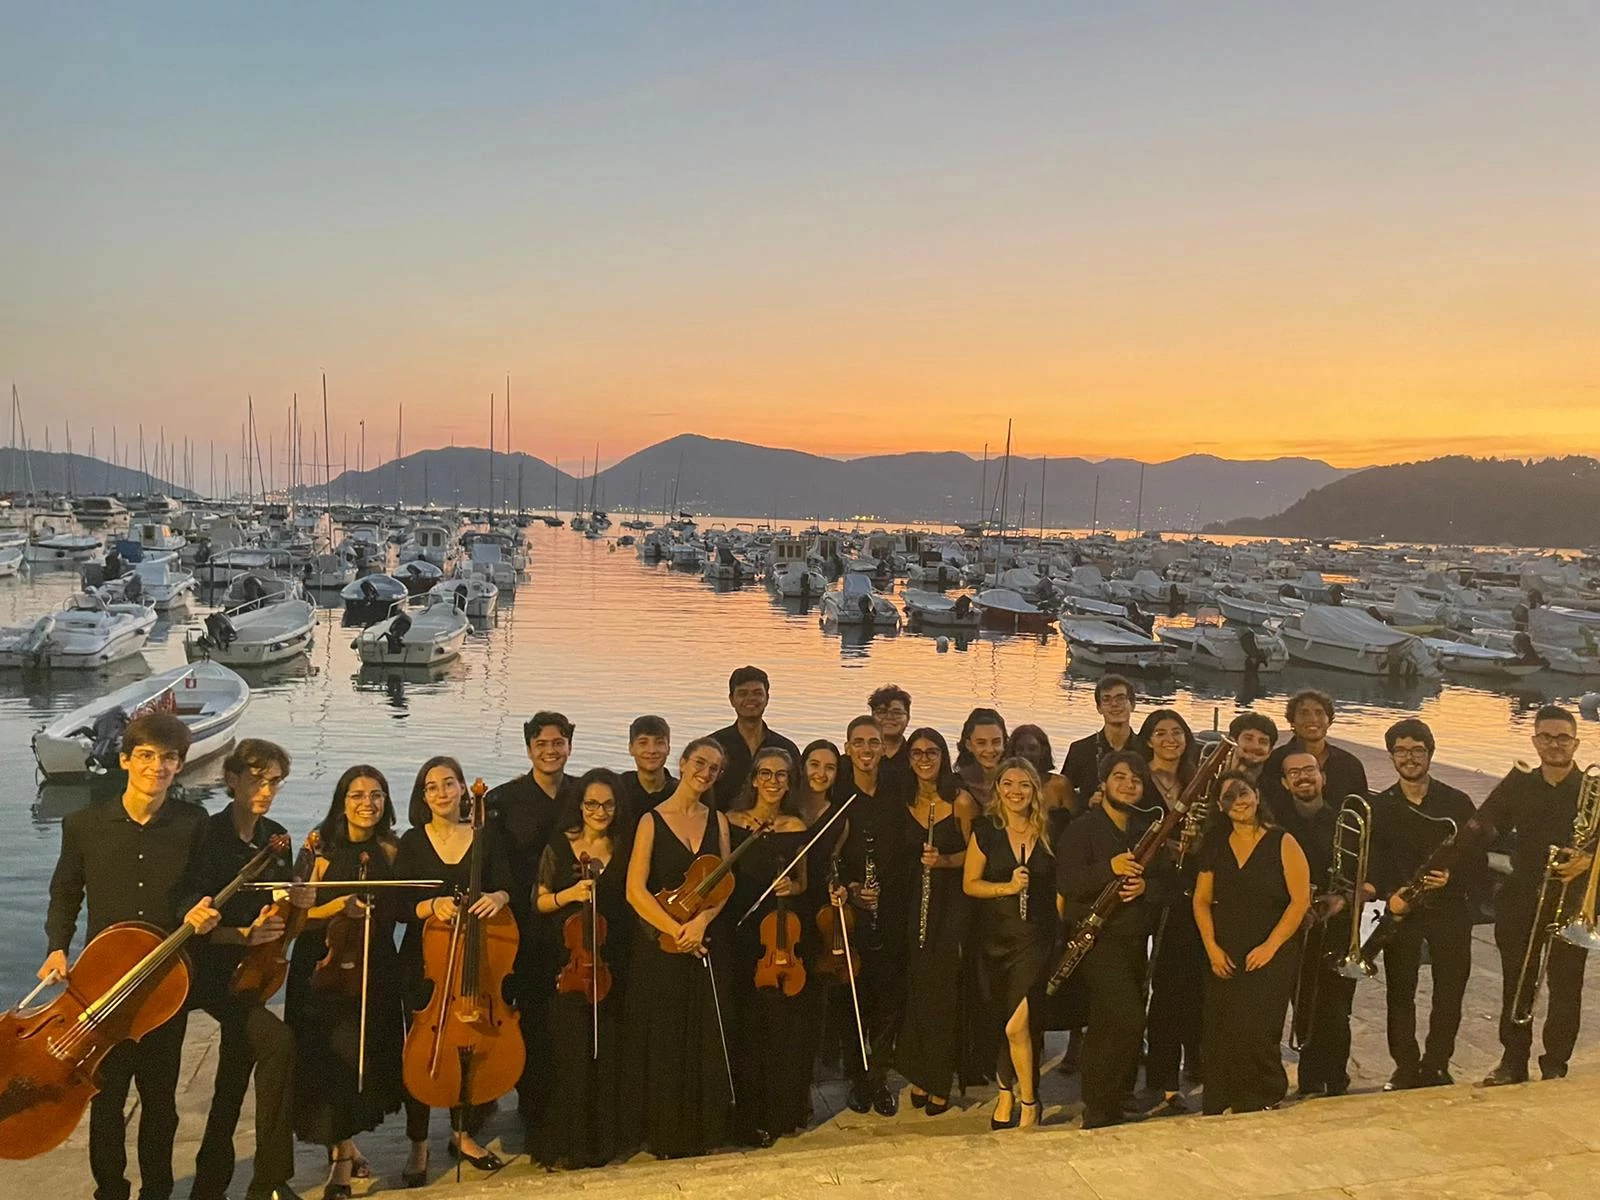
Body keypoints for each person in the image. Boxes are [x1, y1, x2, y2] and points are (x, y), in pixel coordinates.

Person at [41, 714, 220, 1200]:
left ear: (179, 766)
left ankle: (158, 1191)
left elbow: (195, 889)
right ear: (124, 760)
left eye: (168, 758)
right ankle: (110, 1192)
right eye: (146, 756)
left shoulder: (193, 823)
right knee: (106, 1098)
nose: (157, 767)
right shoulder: (83, 824)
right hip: (101, 983)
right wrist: (58, 946)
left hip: (166, 982)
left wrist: (197, 914)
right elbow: (65, 891)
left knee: (161, 1100)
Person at [185, 738, 304, 1200]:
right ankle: (270, 1181)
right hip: (207, 973)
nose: (266, 789)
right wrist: (237, 935)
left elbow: (281, 923)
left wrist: (297, 906)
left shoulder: (276, 838)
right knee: (277, 1044)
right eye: (256, 778)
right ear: (232, 779)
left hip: (252, 974)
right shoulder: (206, 835)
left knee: (234, 1076)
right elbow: (186, 915)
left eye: (274, 781)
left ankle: (212, 1186)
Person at [285, 766, 405, 1197]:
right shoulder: (317, 849)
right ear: (341, 801)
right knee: (328, 1059)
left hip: (375, 967)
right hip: (322, 968)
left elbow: (403, 906)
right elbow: (293, 921)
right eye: (356, 795)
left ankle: (349, 1142)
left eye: (376, 794)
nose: (367, 803)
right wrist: (335, 906)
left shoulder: (392, 849)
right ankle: (339, 1159)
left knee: (363, 1060)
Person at [395, 756, 515, 1184]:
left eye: (450, 783)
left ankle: (463, 1134)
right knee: (424, 1053)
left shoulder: (485, 836)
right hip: (425, 966)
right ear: (422, 796)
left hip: (477, 963)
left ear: (465, 789)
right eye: (432, 786)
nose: (443, 792)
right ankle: (418, 1144)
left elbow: (507, 884)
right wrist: (430, 906)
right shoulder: (412, 842)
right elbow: (398, 906)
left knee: (469, 1051)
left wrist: (499, 898)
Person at [622, 737, 735, 1158]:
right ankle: (666, 1135)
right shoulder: (651, 820)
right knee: (666, 1040)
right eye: (699, 763)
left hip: (706, 941)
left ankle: (704, 1132)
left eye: (714, 768)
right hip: (662, 948)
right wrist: (675, 929)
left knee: (703, 1035)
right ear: (683, 763)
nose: (705, 773)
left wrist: (703, 921)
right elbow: (635, 891)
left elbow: (724, 885)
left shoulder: (718, 821)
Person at [1481, 705, 1593, 1086]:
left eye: (1563, 737)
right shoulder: (1518, 784)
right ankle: (1513, 1061)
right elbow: (1485, 825)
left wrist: (1589, 861)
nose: (1555, 744)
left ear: (1576, 743)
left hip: (1573, 899)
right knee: (1517, 981)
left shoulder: (1593, 791)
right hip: (1522, 894)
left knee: (1566, 986)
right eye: (1546, 736)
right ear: (1534, 741)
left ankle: (1555, 1064)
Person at [1056, 751, 1168, 1129]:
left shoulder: (1146, 831)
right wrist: (1110, 868)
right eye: (1120, 777)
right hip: (1098, 941)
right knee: (1123, 1020)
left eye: (1136, 780)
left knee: (1113, 1023)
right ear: (1103, 784)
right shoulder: (1081, 829)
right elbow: (1068, 884)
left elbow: (1170, 883)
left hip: (1136, 940)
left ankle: (1116, 1098)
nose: (1129, 784)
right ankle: (1099, 1105)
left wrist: (1146, 887)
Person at [1370, 719, 1483, 1091]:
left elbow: (1479, 859)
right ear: (1391, 756)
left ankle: (1436, 1064)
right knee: (1400, 992)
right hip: (1404, 910)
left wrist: (1453, 878)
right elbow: (1372, 861)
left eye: (1417, 750)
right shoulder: (1381, 806)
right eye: (1401, 751)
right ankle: (1405, 1066)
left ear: (1430, 754)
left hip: (1450, 909)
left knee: (1449, 992)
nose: (1410, 757)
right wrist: (1391, 897)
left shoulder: (1457, 802)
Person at [531, 768, 632, 1169]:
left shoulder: (624, 846)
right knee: (570, 1056)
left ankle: (603, 1139)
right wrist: (568, 894)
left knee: (608, 1053)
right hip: (568, 965)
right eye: (592, 803)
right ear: (580, 804)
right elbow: (537, 901)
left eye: (608, 804)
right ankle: (568, 1141)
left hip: (614, 961)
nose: (600, 811)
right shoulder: (560, 845)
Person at [485, 711, 581, 1130]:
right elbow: (489, 866)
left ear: (569, 746)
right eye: (541, 744)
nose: (550, 751)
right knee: (530, 1011)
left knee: (570, 1013)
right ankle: (532, 1099)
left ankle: (574, 1097)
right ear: (529, 749)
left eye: (558, 742)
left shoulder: (583, 793)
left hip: (576, 922)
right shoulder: (502, 800)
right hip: (522, 924)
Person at [1193, 773, 1310, 1114]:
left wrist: (1271, 947)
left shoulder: (1283, 841)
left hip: (1272, 947)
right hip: (1225, 946)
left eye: (1243, 792)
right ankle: (1219, 1099)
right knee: (1221, 1027)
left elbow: (1299, 900)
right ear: (1220, 806)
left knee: (1258, 1028)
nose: (1239, 800)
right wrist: (1212, 947)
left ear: (1257, 795)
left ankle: (1261, 1096)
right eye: (1229, 797)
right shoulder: (1215, 844)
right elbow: (1201, 900)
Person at [964, 757, 1059, 1130]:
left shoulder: (1050, 830)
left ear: (1034, 790)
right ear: (998, 790)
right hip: (994, 937)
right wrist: (1007, 887)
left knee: (1017, 1025)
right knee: (1001, 1020)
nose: (1015, 791)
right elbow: (970, 883)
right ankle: (1005, 1092)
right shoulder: (986, 830)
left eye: (1023, 784)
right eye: (1008, 784)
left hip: (1035, 938)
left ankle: (1030, 1100)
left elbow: (1058, 890)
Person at [726, 747, 812, 1146]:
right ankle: (744, 1112)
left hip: (780, 939)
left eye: (781, 775)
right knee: (745, 1026)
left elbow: (803, 883)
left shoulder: (797, 825)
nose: (773, 782)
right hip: (741, 936)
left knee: (780, 1027)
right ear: (753, 779)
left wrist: (791, 887)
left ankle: (780, 1110)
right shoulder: (732, 822)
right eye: (765, 774)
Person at [835, 714, 915, 1115]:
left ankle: (878, 1078)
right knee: (854, 998)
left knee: (888, 998)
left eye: (873, 743)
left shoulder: (897, 787)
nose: (866, 750)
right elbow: (827, 856)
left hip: (892, 905)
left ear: (883, 749)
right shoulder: (838, 792)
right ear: (847, 748)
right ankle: (856, 1077)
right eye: (858, 743)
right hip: (852, 911)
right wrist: (850, 889)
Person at [897, 728, 978, 1115]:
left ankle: (941, 1079)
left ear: (944, 757)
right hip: (916, 901)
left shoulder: (960, 802)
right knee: (916, 985)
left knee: (943, 991)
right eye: (917, 753)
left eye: (932, 752)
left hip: (952, 906)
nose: (924, 759)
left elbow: (976, 856)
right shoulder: (907, 800)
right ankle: (918, 1071)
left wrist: (943, 861)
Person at [1276, 750, 1363, 1097]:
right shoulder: (1278, 823)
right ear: (1284, 783)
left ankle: (1336, 1077)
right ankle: (1311, 1079)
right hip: (1297, 922)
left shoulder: (1348, 821)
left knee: (1338, 1005)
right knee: (1303, 1000)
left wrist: (1342, 898)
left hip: (1338, 924)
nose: (1303, 777)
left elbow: (1365, 874)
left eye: (1309, 770)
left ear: (1322, 776)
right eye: (1293, 773)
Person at [1137, 710, 1205, 1112]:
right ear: (1147, 740)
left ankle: (1172, 1079)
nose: (1169, 739)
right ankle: (1153, 1079)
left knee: (1177, 988)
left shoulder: (1198, 779)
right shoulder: (1136, 776)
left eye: (1176, 732)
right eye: (1160, 733)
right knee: (1142, 988)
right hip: (1144, 890)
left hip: (1187, 892)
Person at [1260, 690, 1369, 823]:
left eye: (1319, 713)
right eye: (1304, 713)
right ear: (1292, 722)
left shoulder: (1350, 765)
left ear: (1329, 721)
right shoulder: (1274, 761)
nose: (1312, 719)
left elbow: (1360, 812)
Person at [709, 666, 802, 810]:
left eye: (757, 693)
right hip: (720, 827)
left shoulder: (786, 748)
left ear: (767, 698)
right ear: (731, 699)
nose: (751, 698)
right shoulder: (714, 747)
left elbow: (796, 794)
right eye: (743, 693)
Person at [1062, 675, 1138, 803]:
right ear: (1099, 708)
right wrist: (1087, 803)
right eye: (1106, 699)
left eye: (1120, 698)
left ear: (1133, 705)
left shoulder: (1147, 749)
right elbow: (1063, 795)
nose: (1114, 704)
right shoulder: (1080, 750)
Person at [1009, 724, 1078, 824]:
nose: (1026, 754)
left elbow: (1076, 821)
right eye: (1020, 749)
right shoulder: (1006, 786)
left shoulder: (1060, 784)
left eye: (1032, 748)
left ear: (1043, 751)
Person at [620, 715, 676, 813]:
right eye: (643, 743)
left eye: (659, 742)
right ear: (631, 748)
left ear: (668, 749)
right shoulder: (617, 788)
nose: (652, 750)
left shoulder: (679, 793)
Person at [956, 707, 1008, 808]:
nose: (990, 749)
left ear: (1004, 742)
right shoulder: (957, 783)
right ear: (969, 745)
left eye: (996, 742)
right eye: (981, 743)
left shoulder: (1017, 781)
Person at [869, 684, 914, 787]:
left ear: (908, 718)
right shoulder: (859, 756)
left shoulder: (916, 758)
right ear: (872, 717)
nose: (889, 717)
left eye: (897, 713)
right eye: (882, 712)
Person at [1228, 712, 1280, 783]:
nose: (1255, 746)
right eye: (1248, 738)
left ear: (1270, 751)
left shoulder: (1277, 780)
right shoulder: (1215, 768)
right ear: (1233, 741)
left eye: (1263, 742)